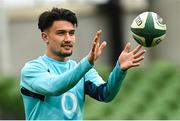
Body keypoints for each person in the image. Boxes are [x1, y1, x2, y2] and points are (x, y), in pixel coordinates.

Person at [20, 7, 146, 120]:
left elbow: (105, 94)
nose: (68, 39)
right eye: (61, 33)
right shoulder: (32, 69)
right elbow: (54, 87)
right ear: (45, 37)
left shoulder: (83, 69)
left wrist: (119, 69)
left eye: (72, 33)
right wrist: (87, 62)